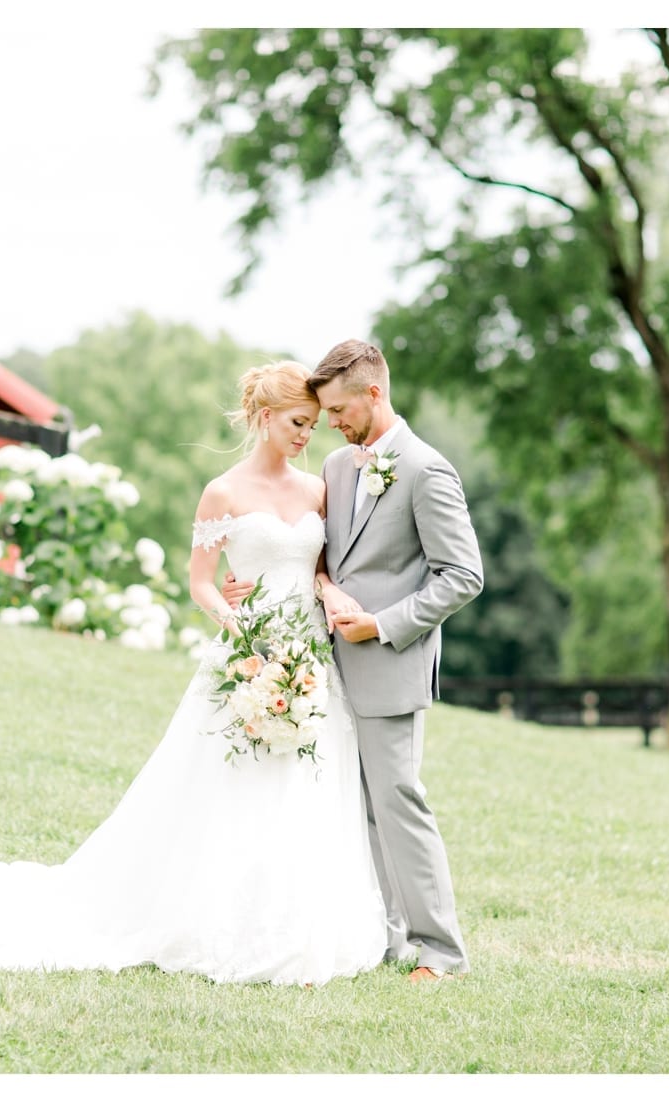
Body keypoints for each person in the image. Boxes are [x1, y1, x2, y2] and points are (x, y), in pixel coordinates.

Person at [0, 361, 387, 987]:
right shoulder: (223, 492)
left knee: (305, 782)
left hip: (308, 654)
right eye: (298, 423)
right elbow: (197, 583)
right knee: (234, 784)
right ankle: (218, 917)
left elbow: (322, 566)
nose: (307, 435)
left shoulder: (316, 491)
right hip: (246, 653)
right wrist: (238, 627)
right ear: (264, 417)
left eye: (312, 425)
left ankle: (299, 924)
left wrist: (327, 595)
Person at [223, 339, 483, 981]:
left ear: (374, 393)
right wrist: (262, 584)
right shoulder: (338, 468)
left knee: (399, 801)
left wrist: (382, 624)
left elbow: (463, 575)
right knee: (356, 807)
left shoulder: (426, 470)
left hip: (391, 663)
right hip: (323, 665)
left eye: (339, 409)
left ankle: (441, 952)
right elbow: (323, 557)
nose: (330, 423)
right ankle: (388, 939)